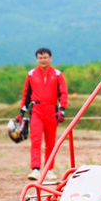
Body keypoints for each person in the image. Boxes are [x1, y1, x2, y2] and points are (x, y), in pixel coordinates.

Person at [18, 47, 69, 181]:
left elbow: (63, 92)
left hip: (52, 111)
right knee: (36, 140)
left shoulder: (58, 74)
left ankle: (49, 169)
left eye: (45, 57)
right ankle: (35, 169)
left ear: (50, 58)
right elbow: (26, 93)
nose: (43, 60)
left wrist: (62, 108)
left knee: (51, 142)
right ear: (37, 59)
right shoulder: (31, 74)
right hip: (36, 110)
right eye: (40, 58)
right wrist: (22, 111)